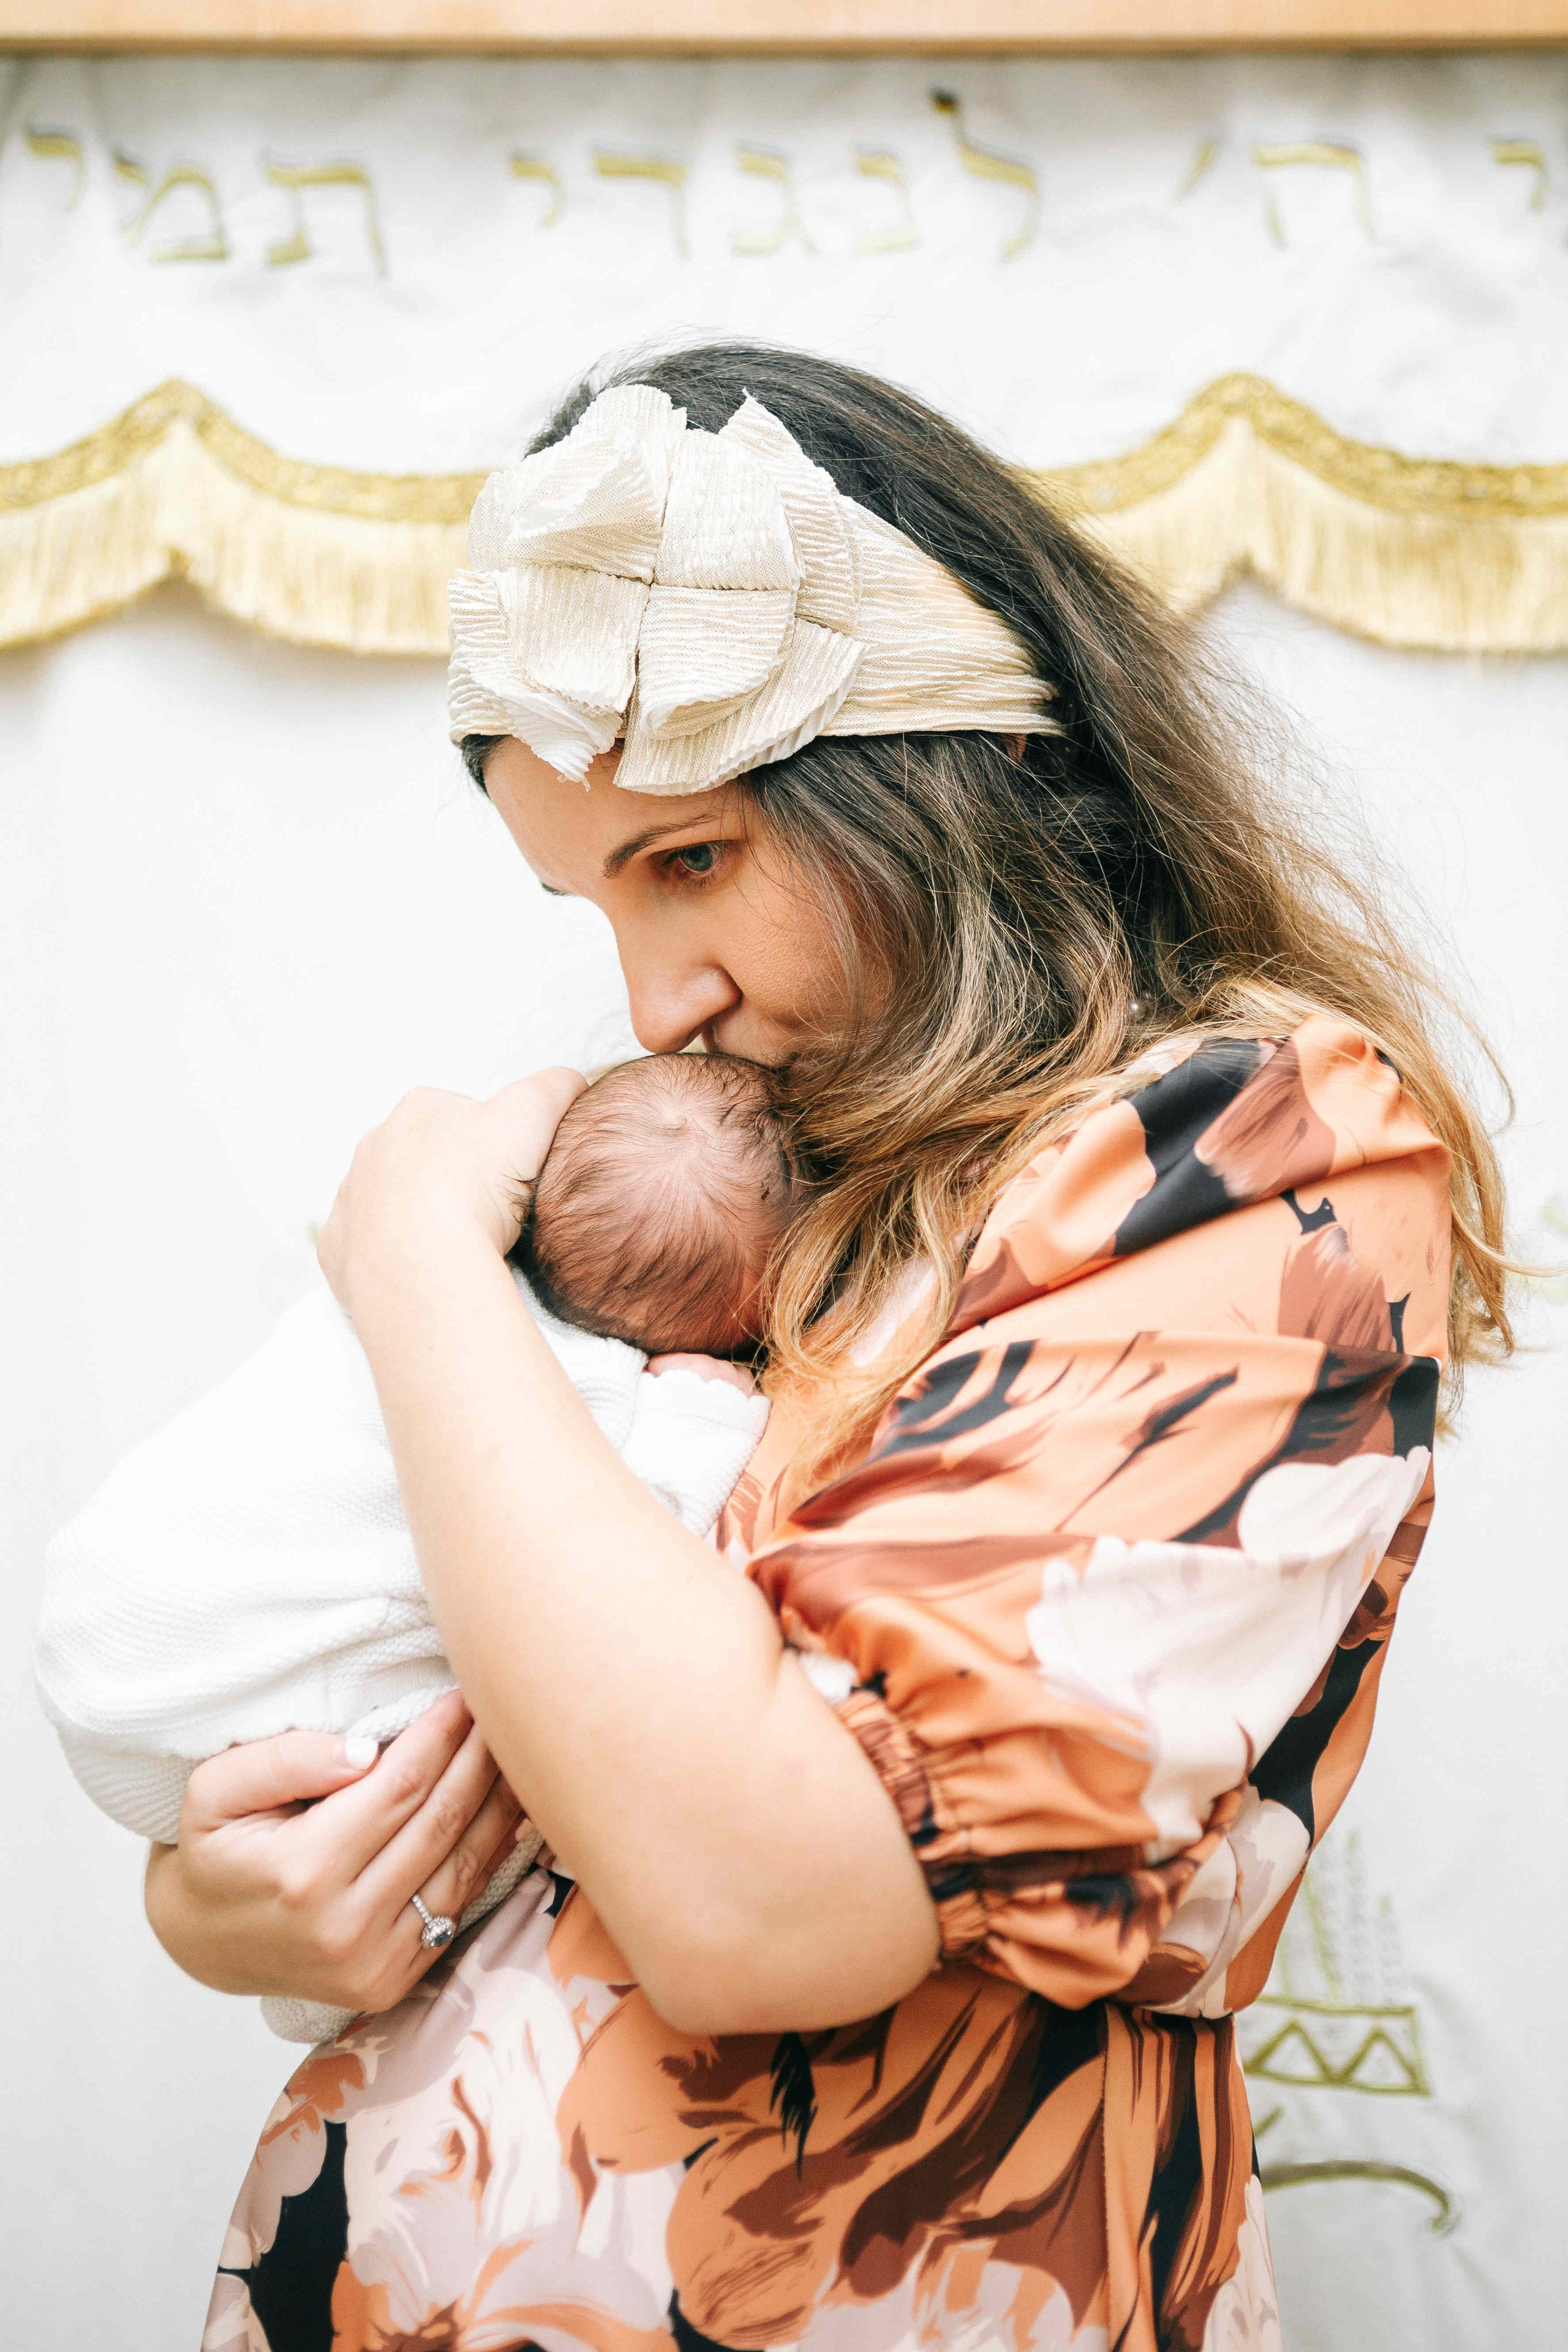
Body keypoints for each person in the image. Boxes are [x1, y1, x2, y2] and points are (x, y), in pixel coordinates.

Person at [141, 345, 1509, 2352]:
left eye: (689, 860)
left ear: (948, 780)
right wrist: (227, 1893)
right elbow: (399, 1636)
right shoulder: (731, 1171)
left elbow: (762, 1906)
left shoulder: (1258, 1155)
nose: (654, 994)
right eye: (586, 898)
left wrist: (415, 1253)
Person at [36, 1052, 787, 2044]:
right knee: (475, 1750)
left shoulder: (414, 1266)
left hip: (112, 1621)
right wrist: (707, 1409)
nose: (659, 1014)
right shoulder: (602, 1403)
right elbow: (648, 1539)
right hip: (202, 1726)